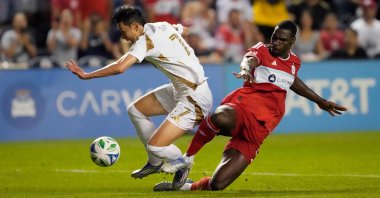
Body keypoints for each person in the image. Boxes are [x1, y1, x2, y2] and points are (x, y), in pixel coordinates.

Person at [154, 20, 347, 191]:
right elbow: (249, 60)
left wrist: (319, 101)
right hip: (244, 108)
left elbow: (292, 81)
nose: (275, 42)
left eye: (281, 40)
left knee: (217, 184)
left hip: (261, 127)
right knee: (219, 117)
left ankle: (186, 188)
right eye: (274, 37)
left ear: (292, 42)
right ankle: (187, 158)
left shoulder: (294, 62)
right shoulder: (262, 50)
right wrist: (246, 69)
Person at [65, 6, 213, 181]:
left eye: (123, 31)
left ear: (135, 26)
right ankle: (155, 163)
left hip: (194, 98)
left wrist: (87, 75)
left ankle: (183, 161)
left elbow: (120, 67)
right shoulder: (162, 25)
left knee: (156, 146)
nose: (123, 37)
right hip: (181, 89)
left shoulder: (146, 41)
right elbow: (183, 29)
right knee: (135, 110)